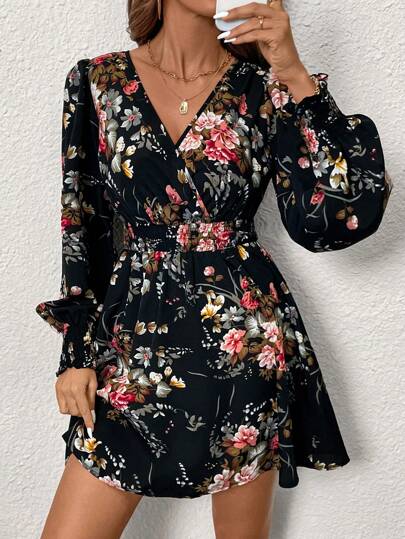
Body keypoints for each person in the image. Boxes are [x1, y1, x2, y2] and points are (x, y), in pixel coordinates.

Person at [36, 1, 392, 538]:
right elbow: (82, 222)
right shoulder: (97, 80)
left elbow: (335, 220)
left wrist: (295, 74)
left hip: (243, 343)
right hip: (131, 344)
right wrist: (77, 355)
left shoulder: (264, 88)